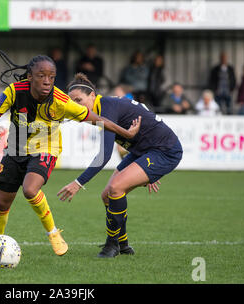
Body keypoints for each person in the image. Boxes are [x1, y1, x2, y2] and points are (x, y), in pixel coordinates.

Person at [0, 51, 141, 261]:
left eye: (51, 77)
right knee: (2, 203)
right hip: (16, 148)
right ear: (30, 76)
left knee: (30, 189)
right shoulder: (13, 91)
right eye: (41, 75)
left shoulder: (60, 100)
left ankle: (53, 232)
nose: (47, 81)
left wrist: (125, 132)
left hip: (46, 148)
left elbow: (97, 118)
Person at [57, 73, 182, 258]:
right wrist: (146, 171)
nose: (75, 105)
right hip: (144, 152)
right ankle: (123, 244)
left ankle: (112, 244)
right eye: (72, 102)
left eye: (79, 100)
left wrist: (78, 182)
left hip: (164, 151)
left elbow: (104, 155)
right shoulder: (103, 108)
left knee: (116, 188)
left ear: (92, 96)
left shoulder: (106, 108)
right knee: (107, 196)